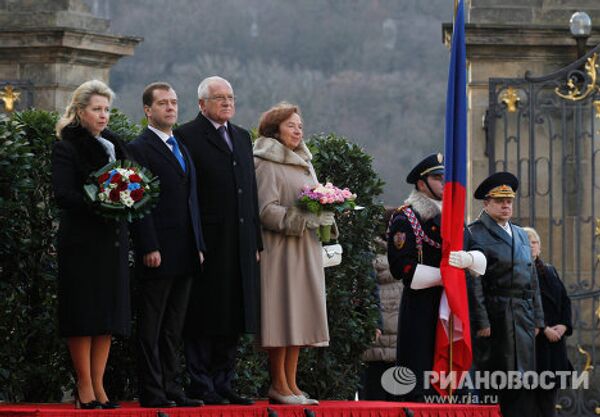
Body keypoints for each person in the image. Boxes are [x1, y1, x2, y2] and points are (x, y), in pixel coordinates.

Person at [175, 76, 261, 405]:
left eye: (230, 97)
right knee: (204, 315)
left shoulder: (240, 136)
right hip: (207, 241)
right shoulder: (187, 135)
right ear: (202, 104)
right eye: (219, 98)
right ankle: (201, 384)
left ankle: (225, 384)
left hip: (240, 241)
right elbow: (188, 193)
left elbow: (249, 191)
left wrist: (256, 241)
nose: (226, 102)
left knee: (233, 316)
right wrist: (193, 240)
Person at [52, 80, 130, 409]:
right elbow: (64, 194)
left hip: (111, 241)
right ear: (80, 111)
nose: (103, 115)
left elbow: (130, 185)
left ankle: (100, 385)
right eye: (96, 109)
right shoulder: (66, 145)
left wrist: (128, 198)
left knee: (107, 317)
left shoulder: (115, 145)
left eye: (106, 109)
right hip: (82, 242)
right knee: (83, 314)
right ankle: (84, 385)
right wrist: (100, 200)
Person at [128, 82, 205, 408]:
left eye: (174, 102)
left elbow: (192, 202)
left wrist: (199, 244)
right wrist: (148, 245)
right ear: (148, 110)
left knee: (174, 327)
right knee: (151, 326)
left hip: (186, 250)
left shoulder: (181, 147)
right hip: (157, 251)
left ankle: (172, 388)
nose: (171, 108)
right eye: (163, 103)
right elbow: (137, 200)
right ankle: (152, 392)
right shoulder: (139, 148)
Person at [253, 102, 335, 405]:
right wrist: (300, 218)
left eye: (300, 125)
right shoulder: (264, 162)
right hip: (280, 250)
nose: (298, 130)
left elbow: (315, 199)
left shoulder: (304, 161)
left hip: (306, 248)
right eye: (291, 125)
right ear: (275, 129)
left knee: (300, 316)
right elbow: (265, 210)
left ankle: (292, 384)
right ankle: (278, 385)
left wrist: (327, 212)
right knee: (282, 316)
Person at [386, 153, 485, 402]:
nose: (444, 183)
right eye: (437, 178)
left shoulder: (453, 218)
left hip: (453, 306)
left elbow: (481, 259)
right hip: (422, 308)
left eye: (445, 178)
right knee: (419, 382)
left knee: (455, 387)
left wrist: (469, 260)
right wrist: (446, 276)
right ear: (421, 183)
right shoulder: (406, 218)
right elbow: (403, 269)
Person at [467, 172, 545, 417]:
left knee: (522, 382)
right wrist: (481, 320)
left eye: (509, 201)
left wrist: (538, 319)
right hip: (496, 313)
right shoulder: (474, 233)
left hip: (522, 315)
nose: (506, 205)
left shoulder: (521, 234)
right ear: (486, 203)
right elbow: (474, 280)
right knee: (496, 379)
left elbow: (531, 278)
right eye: (499, 200)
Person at [523, 227, 573, 417]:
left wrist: (564, 325)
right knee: (531, 404)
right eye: (526, 243)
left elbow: (565, 300)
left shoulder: (550, 271)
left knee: (549, 403)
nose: (531, 246)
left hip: (554, 345)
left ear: (540, 247)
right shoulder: (518, 273)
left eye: (534, 242)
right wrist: (544, 328)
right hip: (534, 344)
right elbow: (523, 304)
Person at [359, 208, 400, 401]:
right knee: (376, 400)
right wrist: (373, 322)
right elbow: (366, 291)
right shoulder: (371, 252)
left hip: (401, 338)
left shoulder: (409, 251)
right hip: (380, 337)